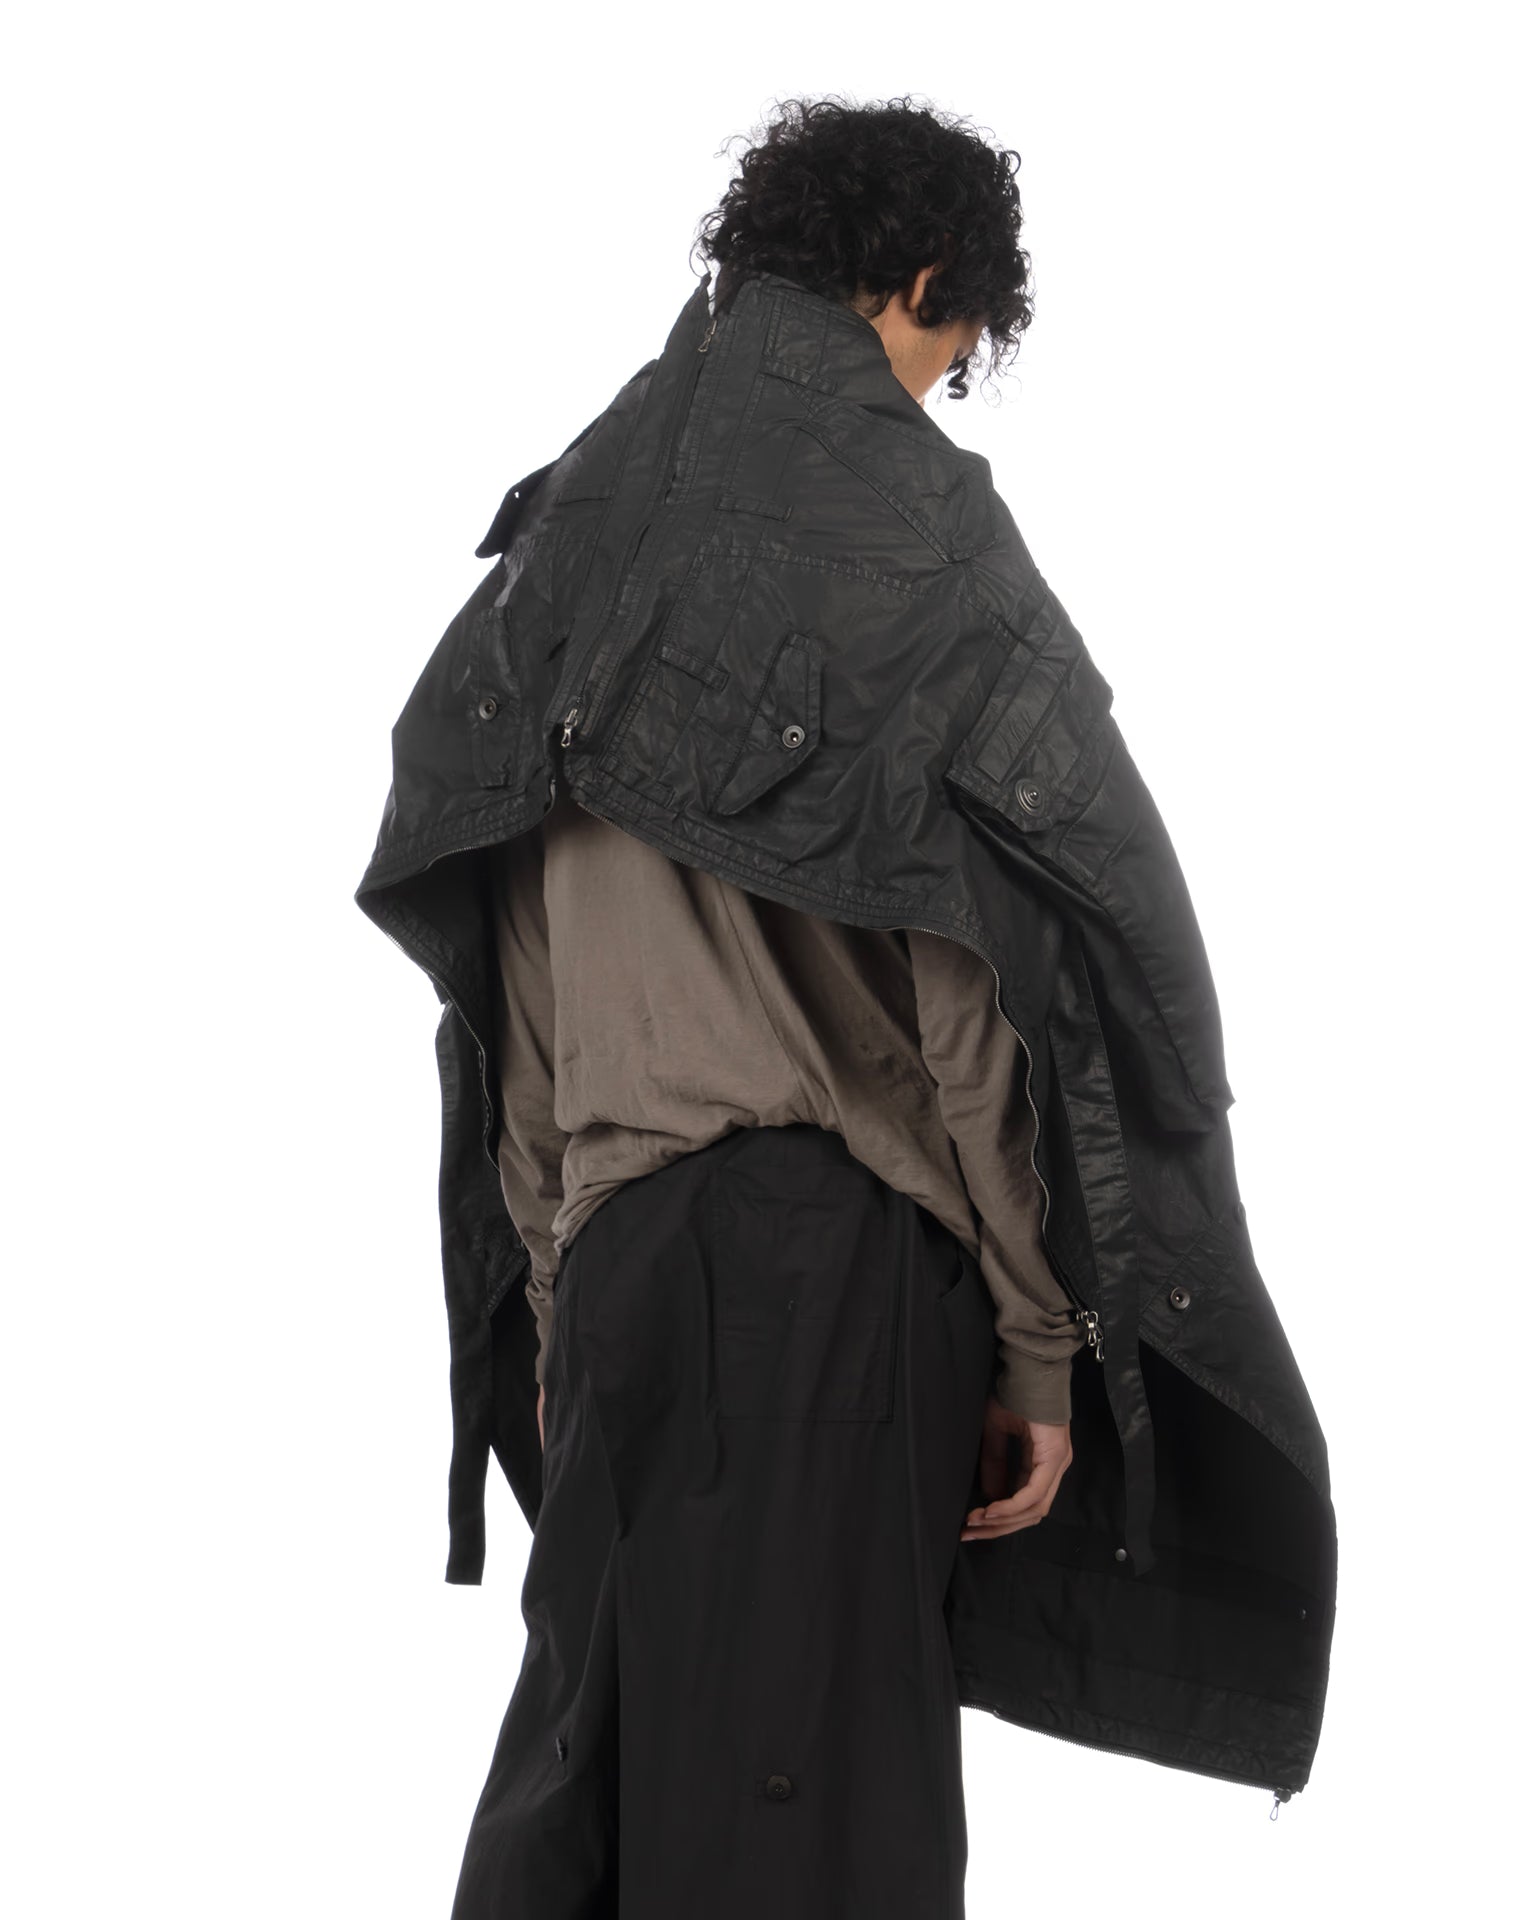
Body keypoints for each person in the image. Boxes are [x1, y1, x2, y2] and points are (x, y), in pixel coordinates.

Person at [449, 97, 1083, 1918]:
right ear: (927, 277)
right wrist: (1036, 1347)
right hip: (829, 1268)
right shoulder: (899, 520)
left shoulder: (575, 521)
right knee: (812, 1833)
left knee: (600, 1792)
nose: (935, 398)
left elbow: (518, 973)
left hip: (621, 1264)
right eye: (950, 353)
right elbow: (966, 972)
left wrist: (560, 1291)